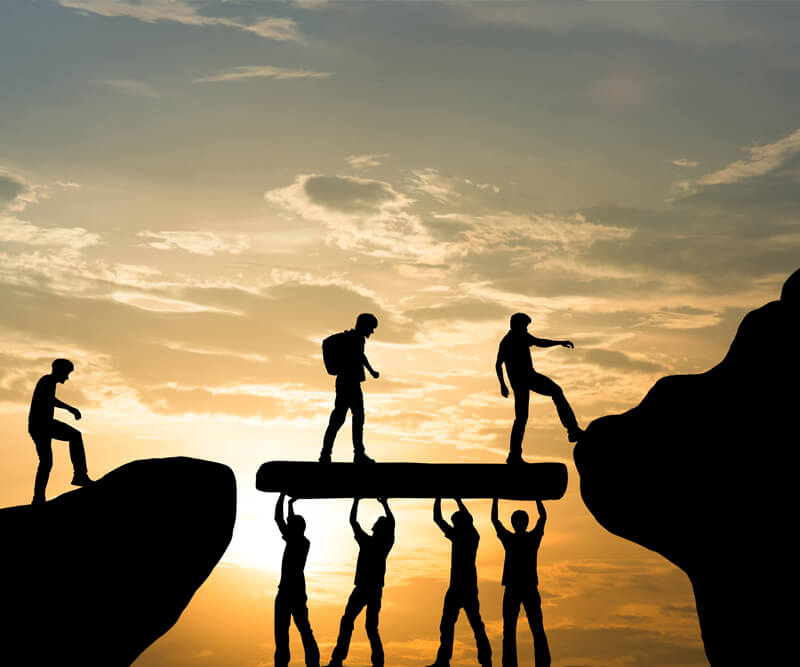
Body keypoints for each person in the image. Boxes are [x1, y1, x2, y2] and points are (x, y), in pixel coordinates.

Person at [495, 313, 583, 464]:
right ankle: (514, 455)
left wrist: (559, 343)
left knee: (551, 395)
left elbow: (538, 342)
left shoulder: (518, 336)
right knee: (523, 416)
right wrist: (502, 384)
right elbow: (498, 363)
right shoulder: (511, 339)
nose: (526, 329)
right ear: (517, 325)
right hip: (524, 379)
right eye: (525, 326)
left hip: (525, 378)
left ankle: (572, 430)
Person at [328, 497, 395, 667]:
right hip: (372, 590)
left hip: (364, 589)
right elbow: (391, 524)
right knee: (368, 626)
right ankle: (376, 661)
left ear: (376, 528)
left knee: (351, 621)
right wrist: (384, 504)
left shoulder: (371, 542)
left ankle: (338, 659)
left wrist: (357, 500)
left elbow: (353, 521)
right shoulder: (383, 544)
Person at [427, 498, 492, 667]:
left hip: (463, 587)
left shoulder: (465, 536)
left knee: (468, 624)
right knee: (453, 624)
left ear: (460, 523)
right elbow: (440, 519)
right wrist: (456, 499)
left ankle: (483, 659)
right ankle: (447, 660)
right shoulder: (469, 535)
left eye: (455, 522)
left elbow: (438, 518)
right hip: (461, 587)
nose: (453, 525)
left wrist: (441, 498)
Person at [491, 498, 550, 667]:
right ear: (525, 523)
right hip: (528, 587)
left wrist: (495, 499)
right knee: (536, 627)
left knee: (510, 629)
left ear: (513, 523)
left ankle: (510, 663)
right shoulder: (532, 538)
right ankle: (543, 662)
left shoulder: (509, 539)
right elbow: (543, 517)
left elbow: (495, 520)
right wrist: (538, 499)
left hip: (513, 588)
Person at [28, 358, 92, 505]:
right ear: (60, 371)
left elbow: (50, 399)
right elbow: (50, 399)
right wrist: (70, 409)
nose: (67, 377)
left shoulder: (48, 382)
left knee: (46, 462)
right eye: (67, 373)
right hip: (42, 425)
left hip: (40, 425)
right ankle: (80, 475)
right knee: (75, 436)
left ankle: (38, 498)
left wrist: (69, 409)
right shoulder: (47, 380)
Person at [320, 313, 380, 464]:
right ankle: (328, 454)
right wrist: (370, 371)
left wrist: (371, 371)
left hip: (351, 383)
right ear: (364, 326)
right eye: (371, 328)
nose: (372, 331)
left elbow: (361, 356)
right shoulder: (354, 339)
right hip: (348, 383)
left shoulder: (357, 339)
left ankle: (354, 453)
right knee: (341, 419)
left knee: (354, 418)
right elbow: (360, 356)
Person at [274, 492, 320, 667]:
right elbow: (288, 521)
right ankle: (312, 663)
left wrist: (282, 495)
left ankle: (283, 664)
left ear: (295, 529)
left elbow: (278, 518)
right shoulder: (302, 541)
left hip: (288, 592)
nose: (288, 524)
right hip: (296, 592)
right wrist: (290, 504)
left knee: (284, 633)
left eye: (291, 524)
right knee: (303, 630)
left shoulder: (295, 540)